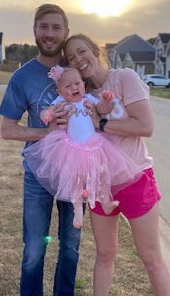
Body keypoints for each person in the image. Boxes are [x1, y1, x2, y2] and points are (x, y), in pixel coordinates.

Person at [64, 34, 170, 296]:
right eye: (71, 57)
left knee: (150, 257)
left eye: (82, 51)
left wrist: (101, 123)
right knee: (104, 254)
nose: (78, 59)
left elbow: (145, 126)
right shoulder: (79, 96)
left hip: (136, 181)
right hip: (101, 186)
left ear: (96, 51)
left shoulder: (124, 78)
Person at [0, 4, 81, 296]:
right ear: (35, 30)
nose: (49, 33)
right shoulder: (23, 77)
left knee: (71, 248)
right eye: (43, 26)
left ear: (65, 31)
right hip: (38, 175)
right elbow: (7, 130)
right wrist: (45, 134)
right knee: (34, 249)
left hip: (75, 175)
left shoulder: (78, 72)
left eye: (56, 27)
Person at [24, 65, 143, 228]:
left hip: (94, 145)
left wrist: (106, 101)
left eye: (77, 84)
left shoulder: (88, 99)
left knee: (100, 174)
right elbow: (48, 109)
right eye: (68, 86)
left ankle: (105, 200)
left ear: (83, 85)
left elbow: (102, 109)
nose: (74, 88)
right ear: (59, 92)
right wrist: (46, 114)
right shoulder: (61, 102)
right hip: (72, 148)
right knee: (75, 180)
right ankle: (78, 209)